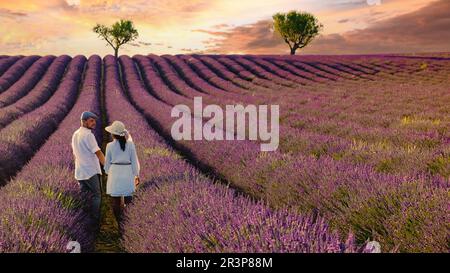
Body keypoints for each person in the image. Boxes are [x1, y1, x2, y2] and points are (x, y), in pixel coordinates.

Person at [71, 111, 105, 228]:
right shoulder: (88, 135)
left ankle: (84, 221)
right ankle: (95, 221)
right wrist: (108, 167)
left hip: (80, 172)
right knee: (97, 195)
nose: (94, 123)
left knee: (84, 197)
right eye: (91, 120)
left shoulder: (75, 134)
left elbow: (74, 153)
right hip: (90, 171)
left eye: (94, 120)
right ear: (84, 121)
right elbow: (98, 153)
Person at [104, 120, 140, 227]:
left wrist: (107, 172)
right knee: (129, 199)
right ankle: (128, 223)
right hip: (127, 171)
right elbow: (134, 161)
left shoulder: (109, 145)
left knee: (116, 201)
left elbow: (107, 164)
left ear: (113, 134)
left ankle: (120, 224)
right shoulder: (130, 145)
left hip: (115, 172)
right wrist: (136, 175)